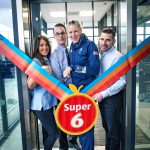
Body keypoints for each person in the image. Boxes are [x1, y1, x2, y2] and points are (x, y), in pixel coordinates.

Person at [63, 20, 100, 150]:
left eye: (76, 31)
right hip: (75, 91)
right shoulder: (72, 46)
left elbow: (95, 69)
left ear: (81, 30)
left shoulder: (90, 45)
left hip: (88, 90)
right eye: (70, 32)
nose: (73, 34)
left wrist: (73, 67)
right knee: (80, 125)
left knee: (87, 126)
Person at [92, 28, 126, 150]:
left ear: (114, 41)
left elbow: (122, 81)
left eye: (107, 40)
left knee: (114, 132)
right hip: (102, 98)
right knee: (107, 128)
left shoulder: (117, 57)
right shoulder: (100, 55)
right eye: (102, 39)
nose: (103, 43)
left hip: (112, 99)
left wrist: (103, 94)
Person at [50, 23, 81, 150]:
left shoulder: (73, 49)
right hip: (62, 91)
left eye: (63, 33)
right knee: (62, 121)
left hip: (76, 90)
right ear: (54, 36)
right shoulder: (54, 55)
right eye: (58, 33)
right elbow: (59, 78)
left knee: (77, 116)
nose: (61, 36)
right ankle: (63, 147)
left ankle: (73, 140)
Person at [27, 35, 59, 150]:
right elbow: (30, 85)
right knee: (54, 134)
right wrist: (42, 72)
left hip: (48, 104)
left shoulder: (46, 59)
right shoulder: (36, 61)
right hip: (40, 105)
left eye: (46, 45)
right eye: (41, 45)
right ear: (37, 47)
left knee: (47, 133)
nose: (44, 47)